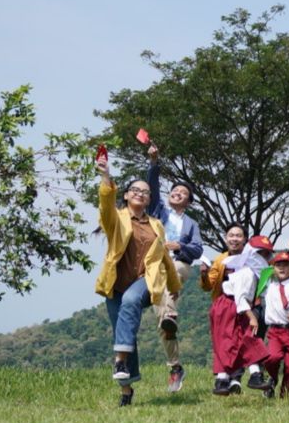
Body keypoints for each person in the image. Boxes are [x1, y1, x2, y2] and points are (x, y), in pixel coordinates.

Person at [95, 157, 182, 406]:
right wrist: (105, 176)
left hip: (145, 281)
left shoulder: (156, 225)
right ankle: (126, 388)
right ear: (126, 195)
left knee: (132, 300)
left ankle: (119, 361)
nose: (141, 194)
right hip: (115, 285)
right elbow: (105, 204)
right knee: (124, 332)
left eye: (146, 192)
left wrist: (174, 287)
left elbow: (164, 257)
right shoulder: (116, 219)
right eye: (136, 190)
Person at [145, 144, 203, 393]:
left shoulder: (190, 223)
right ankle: (175, 367)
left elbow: (197, 249)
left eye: (183, 193)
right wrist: (154, 163)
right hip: (154, 264)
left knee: (169, 273)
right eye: (175, 190)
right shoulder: (158, 211)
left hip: (178, 265)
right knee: (163, 323)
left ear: (188, 202)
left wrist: (179, 245)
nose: (177, 193)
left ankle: (169, 315)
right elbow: (153, 188)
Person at [208, 235, 273, 396]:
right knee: (235, 340)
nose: (265, 258)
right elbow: (240, 298)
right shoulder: (247, 273)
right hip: (230, 307)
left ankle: (241, 376)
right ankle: (229, 378)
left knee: (241, 340)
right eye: (262, 254)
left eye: (267, 254)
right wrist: (251, 317)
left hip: (234, 307)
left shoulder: (252, 272)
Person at [199, 222, 248, 394]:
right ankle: (223, 377)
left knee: (240, 341)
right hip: (223, 304)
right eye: (231, 235)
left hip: (245, 306)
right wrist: (204, 275)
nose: (234, 239)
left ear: (244, 239)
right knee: (222, 341)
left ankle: (235, 377)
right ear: (226, 238)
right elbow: (208, 286)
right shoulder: (220, 260)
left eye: (238, 235)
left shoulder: (250, 259)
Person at [259, 251, 289, 398]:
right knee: (272, 358)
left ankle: (285, 395)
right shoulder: (269, 286)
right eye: (278, 265)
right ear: (273, 268)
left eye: (285, 265)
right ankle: (272, 379)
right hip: (275, 331)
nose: (281, 268)